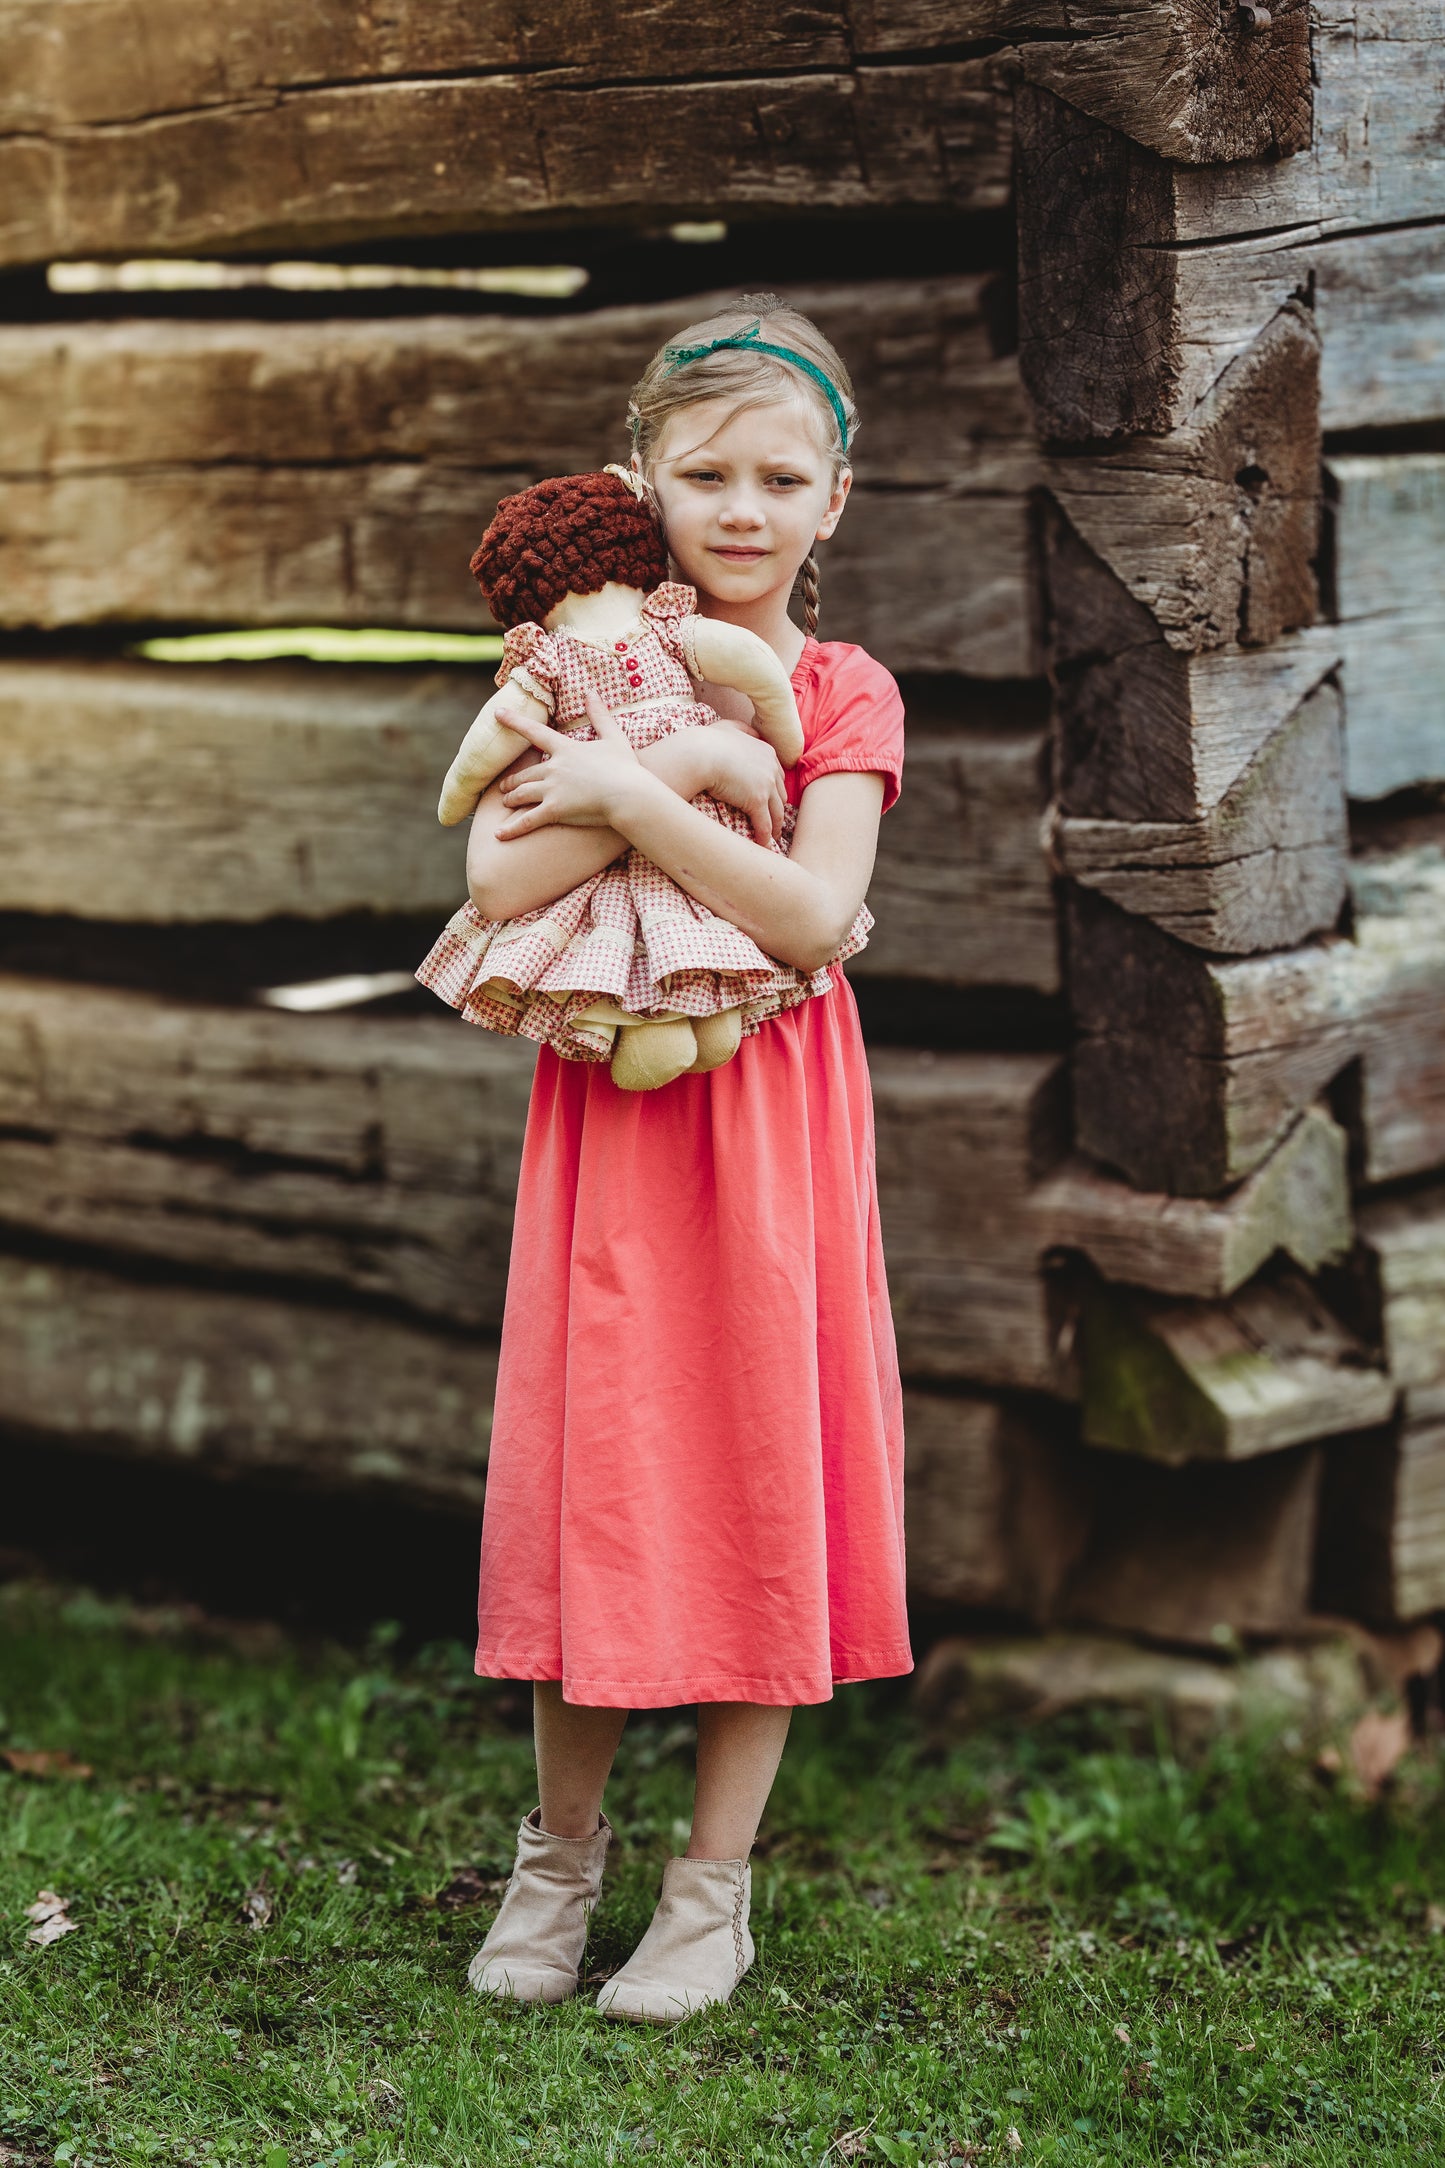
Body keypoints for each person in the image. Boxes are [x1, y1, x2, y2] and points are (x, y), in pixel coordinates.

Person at [458, 293, 912, 2025]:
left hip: (774, 1120)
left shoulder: (838, 686)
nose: (740, 509)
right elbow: (496, 884)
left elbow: (808, 908)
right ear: (639, 479)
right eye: (703, 472)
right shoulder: (564, 665)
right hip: (614, 1118)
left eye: (778, 478)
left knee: (750, 1455)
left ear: (832, 500)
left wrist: (643, 804)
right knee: (598, 1458)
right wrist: (726, 827)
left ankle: (707, 1894)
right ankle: (556, 1869)